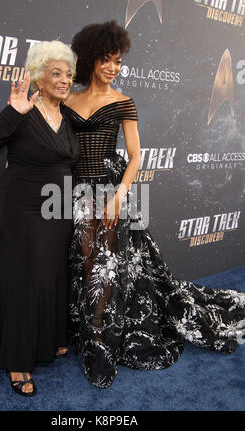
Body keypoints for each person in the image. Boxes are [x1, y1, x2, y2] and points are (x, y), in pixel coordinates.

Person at [63, 21, 245, 389]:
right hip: (75, 191)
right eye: (106, 59)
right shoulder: (66, 99)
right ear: (90, 60)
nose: (113, 67)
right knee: (85, 267)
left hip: (111, 189)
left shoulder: (122, 102)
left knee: (108, 269)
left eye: (118, 60)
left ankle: (101, 347)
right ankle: (88, 333)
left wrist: (118, 196)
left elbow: (134, 158)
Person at [0, 41, 80, 396]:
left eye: (68, 74)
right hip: (22, 206)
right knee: (23, 278)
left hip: (57, 207)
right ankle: (18, 359)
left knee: (50, 273)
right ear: (38, 76)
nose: (65, 80)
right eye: (56, 73)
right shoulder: (23, 111)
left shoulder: (66, 118)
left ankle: (48, 340)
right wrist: (11, 114)